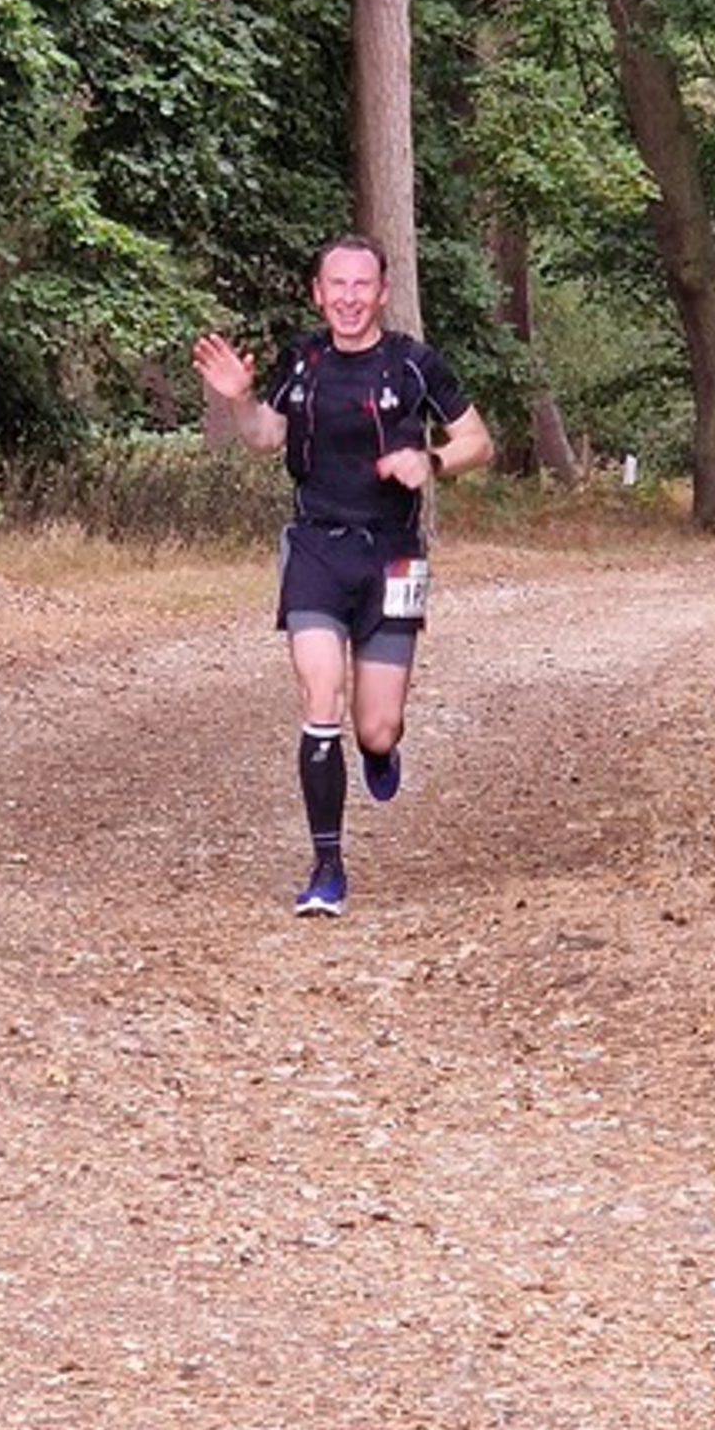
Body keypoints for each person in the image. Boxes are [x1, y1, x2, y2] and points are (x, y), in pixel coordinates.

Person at [192, 234, 493, 918]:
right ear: (318, 293)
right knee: (318, 694)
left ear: (383, 292)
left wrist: (434, 462)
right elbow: (267, 437)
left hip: (392, 555)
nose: (350, 298)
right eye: (338, 286)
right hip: (317, 549)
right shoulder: (305, 360)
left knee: (377, 727)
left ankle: (379, 750)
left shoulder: (415, 364)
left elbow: (478, 438)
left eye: (363, 285)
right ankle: (327, 866)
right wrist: (238, 400)